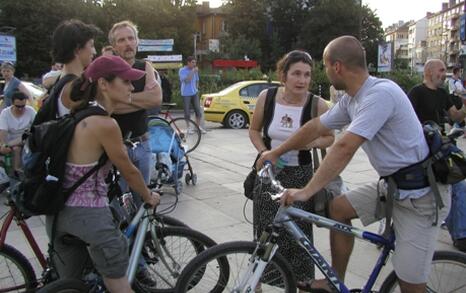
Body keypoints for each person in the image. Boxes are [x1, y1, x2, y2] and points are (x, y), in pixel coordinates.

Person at [259, 36, 451, 293]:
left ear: (336, 67)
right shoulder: (353, 99)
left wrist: (306, 191)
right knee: (337, 209)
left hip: (421, 199)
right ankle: (333, 281)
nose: (325, 73)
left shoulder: (380, 94)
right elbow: (316, 126)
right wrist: (276, 152)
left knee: (410, 284)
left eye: (325, 67)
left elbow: (344, 147)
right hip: (394, 187)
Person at [46, 55, 160, 293]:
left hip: (58, 216)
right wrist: (148, 195)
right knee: (120, 285)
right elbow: (128, 169)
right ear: (104, 84)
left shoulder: (79, 115)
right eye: (126, 81)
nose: (131, 87)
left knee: (76, 287)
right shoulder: (105, 124)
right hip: (89, 216)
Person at [249, 50, 334, 291]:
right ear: (283, 75)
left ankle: (299, 284)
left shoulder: (317, 104)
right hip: (269, 175)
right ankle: (256, 282)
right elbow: (254, 130)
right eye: (296, 73)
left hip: (300, 175)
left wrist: (312, 142)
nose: (302, 80)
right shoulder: (268, 97)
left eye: (307, 75)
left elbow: (330, 137)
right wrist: (264, 153)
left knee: (298, 236)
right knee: (265, 231)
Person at [408, 59, 466, 253]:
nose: (444, 73)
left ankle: (459, 234)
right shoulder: (417, 92)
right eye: (441, 70)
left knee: (456, 185)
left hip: (442, 148)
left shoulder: (442, 94)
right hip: (423, 150)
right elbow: (407, 120)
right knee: (453, 187)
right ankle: (459, 234)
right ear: (430, 72)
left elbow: (456, 116)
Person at [108, 20, 162, 201]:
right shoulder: (108, 71)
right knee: (119, 202)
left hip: (143, 144)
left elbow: (155, 99)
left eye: (131, 38)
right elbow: (109, 106)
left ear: (137, 42)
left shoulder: (145, 67)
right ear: (114, 46)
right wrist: (141, 100)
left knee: (143, 202)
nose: (127, 43)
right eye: (121, 40)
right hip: (117, 146)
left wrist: (123, 99)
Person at [33, 19, 100, 124]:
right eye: (91, 45)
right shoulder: (75, 87)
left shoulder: (61, 80)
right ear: (77, 49)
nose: (94, 51)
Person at [0, 91, 36, 174]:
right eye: (18, 106)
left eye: (23, 106)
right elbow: (3, 131)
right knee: (16, 148)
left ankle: (18, 169)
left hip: (25, 136)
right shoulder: (5, 113)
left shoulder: (30, 111)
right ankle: (16, 169)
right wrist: (3, 144)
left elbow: (37, 124)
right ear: (12, 103)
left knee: (28, 134)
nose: (20, 109)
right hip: (11, 137)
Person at [179, 56, 206, 133]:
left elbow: (197, 80)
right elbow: (187, 80)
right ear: (188, 63)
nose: (194, 64)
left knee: (198, 111)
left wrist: (196, 88)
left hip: (194, 93)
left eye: (195, 63)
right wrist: (193, 71)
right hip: (185, 94)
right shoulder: (182, 70)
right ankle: (188, 127)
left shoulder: (195, 71)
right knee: (187, 112)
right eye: (193, 62)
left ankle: (197, 127)